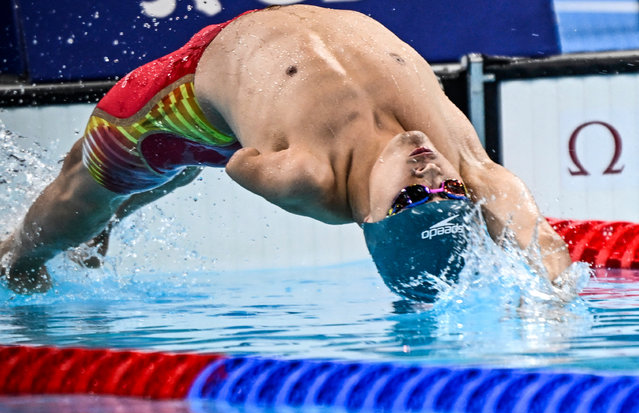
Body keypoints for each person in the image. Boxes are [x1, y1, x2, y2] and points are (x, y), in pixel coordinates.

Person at [0, 5, 572, 295]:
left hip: (190, 97)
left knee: (88, 187)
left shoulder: (308, 179)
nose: (430, 169)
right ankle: (104, 224)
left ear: (368, 215)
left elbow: (238, 160)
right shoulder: (463, 162)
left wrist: (276, 118)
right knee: (131, 193)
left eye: (413, 195)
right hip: (265, 57)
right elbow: (542, 244)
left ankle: (19, 259)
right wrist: (547, 306)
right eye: (446, 188)